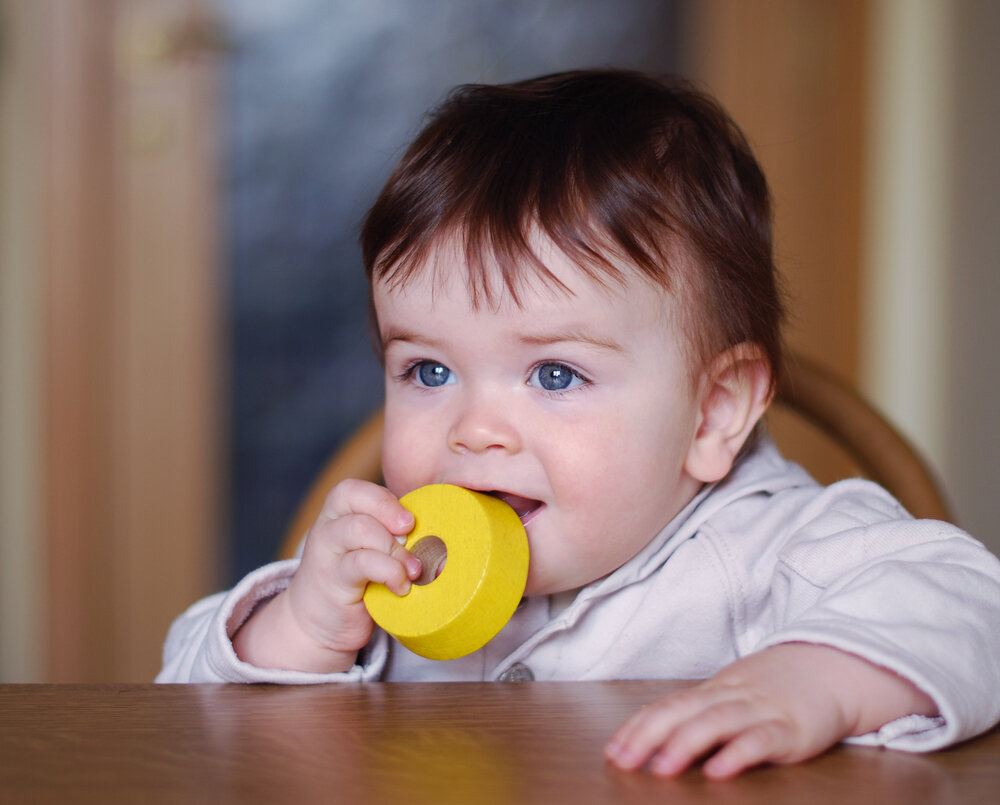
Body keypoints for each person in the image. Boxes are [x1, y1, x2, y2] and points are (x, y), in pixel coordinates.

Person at [157, 69, 1000, 779]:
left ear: (714, 413)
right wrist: (301, 627)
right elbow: (180, 711)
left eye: (555, 374)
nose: (474, 429)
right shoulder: (394, 569)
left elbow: (970, 605)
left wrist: (811, 680)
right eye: (429, 370)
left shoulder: (769, 547)